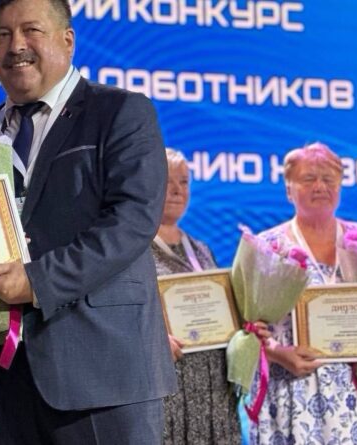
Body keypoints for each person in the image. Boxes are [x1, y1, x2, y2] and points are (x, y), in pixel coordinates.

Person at [0, 0, 177, 442]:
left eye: (31, 30)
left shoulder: (120, 112)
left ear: (68, 40)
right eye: (2, 35)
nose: (15, 46)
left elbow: (132, 220)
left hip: (104, 373)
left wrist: (37, 282)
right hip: (7, 379)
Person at [249, 142, 357, 444]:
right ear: (288, 189)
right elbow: (246, 325)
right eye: (308, 178)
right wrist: (276, 353)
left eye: (329, 179)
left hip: (356, 392)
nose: (320, 186)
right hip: (292, 386)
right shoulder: (268, 246)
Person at [151, 148, 241, 445]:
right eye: (167, 181)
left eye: (184, 182)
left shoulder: (202, 249)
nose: (177, 190)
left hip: (213, 386)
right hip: (169, 384)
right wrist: (151, 338)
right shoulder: (135, 249)